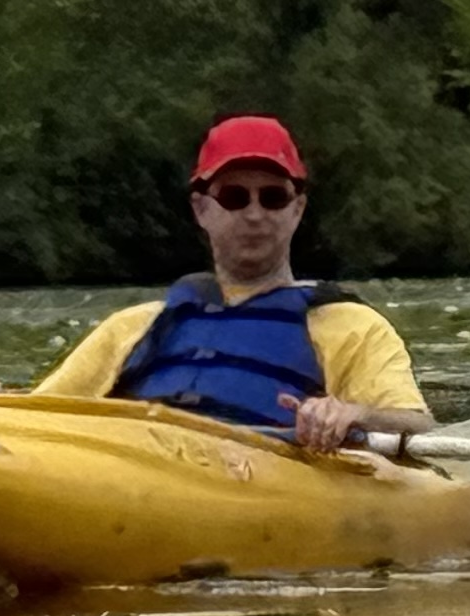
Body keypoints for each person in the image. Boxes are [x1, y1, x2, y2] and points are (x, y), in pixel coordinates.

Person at [25, 117, 436, 455]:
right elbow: (31, 417)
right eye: (234, 197)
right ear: (201, 208)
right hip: (133, 469)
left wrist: (354, 413)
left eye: (273, 197)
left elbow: (415, 425)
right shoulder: (132, 327)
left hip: (267, 479)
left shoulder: (352, 326)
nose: (254, 214)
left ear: (297, 209)